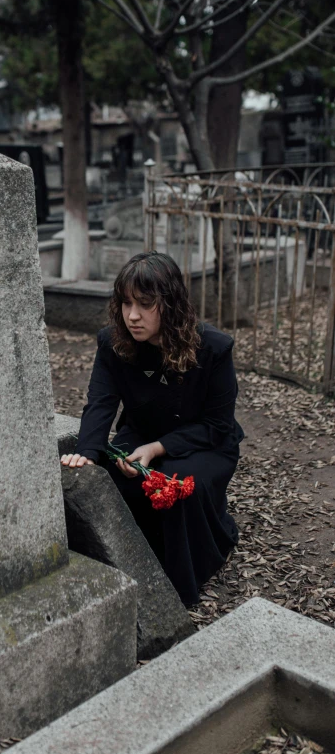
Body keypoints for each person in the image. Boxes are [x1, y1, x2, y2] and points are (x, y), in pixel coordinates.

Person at [61, 251, 244, 606]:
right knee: (115, 482)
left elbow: (217, 424)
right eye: (126, 303)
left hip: (206, 443)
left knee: (175, 490)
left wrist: (158, 448)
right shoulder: (112, 343)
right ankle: (128, 565)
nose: (132, 315)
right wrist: (86, 455)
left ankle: (177, 584)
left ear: (171, 304)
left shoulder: (214, 349)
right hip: (141, 434)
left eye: (145, 304)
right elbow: (100, 403)